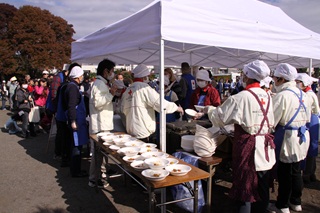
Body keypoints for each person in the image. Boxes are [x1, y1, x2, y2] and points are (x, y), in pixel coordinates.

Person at [200, 60, 276, 213]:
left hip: (247, 147)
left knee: (244, 188)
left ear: (247, 76)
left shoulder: (241, 97)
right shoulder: (268, 96)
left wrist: (209, 110)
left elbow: (220, 117)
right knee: (262, 186)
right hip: (265, 147)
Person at [269, 63, 312, 213]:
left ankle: (283, 205)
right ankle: (296, 201)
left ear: (281, 78)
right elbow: (308, 117)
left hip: (288, 137)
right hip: (302, 135)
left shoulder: (282, 96)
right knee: (296, 170)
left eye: (275, 78)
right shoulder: (304, 94)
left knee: (285, 172)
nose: (274, 80)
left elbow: (272, 121)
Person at [121, 64, 184, 142]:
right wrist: (176, 108)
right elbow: (160, 103)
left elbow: (122, 110)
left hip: (130, 130)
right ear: (144, 77)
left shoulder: (127, 91)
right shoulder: (145, 88)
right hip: (143, 131)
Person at [88, 59, 117, 188]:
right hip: (100, 126)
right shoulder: (99, 84)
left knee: (100, 154)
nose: (113, 74)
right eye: (112, 71)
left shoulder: (101, 84)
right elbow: (98, 103)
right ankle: (94, 179)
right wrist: (111, 95)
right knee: (97, 154)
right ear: (106, 71)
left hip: (102, 124)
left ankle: (100, 175)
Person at [64, 66, 89, 177]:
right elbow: (71, 105)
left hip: (77, 118)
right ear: (78, 77)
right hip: (76, 120)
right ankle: (75, 171)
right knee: (76, 146)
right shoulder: (73, 88)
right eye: (82, 75)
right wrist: (73, 121)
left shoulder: (71, 86)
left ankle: (76, 169)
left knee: (76, 145)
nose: (82, 77)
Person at [295, 73, 319, 184]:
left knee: (310, 148)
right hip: (312, 119)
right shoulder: (308, 93)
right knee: (311, 147)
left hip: (311, 119)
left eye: (298, 82)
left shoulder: (308, 95)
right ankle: (310, 172)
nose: (296, 84)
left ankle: (308, 173)